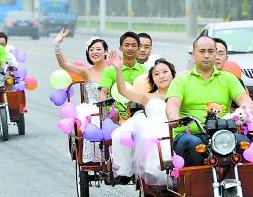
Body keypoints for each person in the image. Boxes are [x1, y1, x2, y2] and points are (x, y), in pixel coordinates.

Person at [166, 36, 253, 166]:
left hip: (223, 134)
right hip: (189, 134)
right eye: (202, 51)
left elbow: (243, 98)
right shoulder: (181, 80)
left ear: (215, 53)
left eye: (211, 51)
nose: (206, 55)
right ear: (193, 54)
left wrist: (250, 111)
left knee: (243, 142)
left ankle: (239, 184)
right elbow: (173, 103)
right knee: (193, 144)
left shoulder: (229, 78)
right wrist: (173, 116)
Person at [110, 51, 177, 183]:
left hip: (176, 129)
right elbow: (123, 91)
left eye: (165, 72)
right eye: (156, 74)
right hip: (154, 133)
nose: (162, 76)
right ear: (152, 79)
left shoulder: (180, 94)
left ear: (172, 73)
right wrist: (118, 68)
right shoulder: (147, 97)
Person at [54, 28, 109, 163]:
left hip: (112, 107)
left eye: (98, 49)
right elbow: (63, 64)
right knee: (95, 122)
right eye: (91, 50)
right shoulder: (86, 72)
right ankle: (96, 157)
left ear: (105, 51)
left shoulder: (113, 70)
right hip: (93, 109)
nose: (95, 52)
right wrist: (57, 44)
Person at [98, 31, 145, 119]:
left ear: (138, 48)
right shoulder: (110, 70)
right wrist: (102, 101)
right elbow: (103, 92)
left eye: (134, 45)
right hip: (115, 114)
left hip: (139, 113)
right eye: (127, 45)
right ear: (120, 48)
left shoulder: (145, 70)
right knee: (114, 113)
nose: (130, 48)